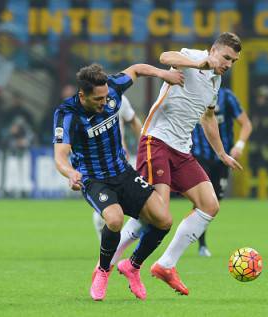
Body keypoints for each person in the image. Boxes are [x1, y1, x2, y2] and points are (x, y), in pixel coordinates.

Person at [108, 32, 243, 296]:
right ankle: (106, 266)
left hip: (182, 150)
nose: (228, 64)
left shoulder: (217, 80)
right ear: (213, 50)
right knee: (155, 213)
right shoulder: (194, 57)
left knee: (210, 205)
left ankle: (165, 265)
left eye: (233, 61)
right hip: (155, 142)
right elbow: (164, 57)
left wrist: (222, 153)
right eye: (226, 57)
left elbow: (208, 118)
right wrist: (198, 64)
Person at [53, 63, 183, 301]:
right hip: (94, 179)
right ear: (82, 95)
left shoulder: (112, 88)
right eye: (98, 99)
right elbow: (60, 155)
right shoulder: (67, 114)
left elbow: (136, 69)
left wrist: (164, 74)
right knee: (114, 219)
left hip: (123, 172)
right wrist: (70, 173)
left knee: (164, 220)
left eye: (105, 97)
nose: (104, 102)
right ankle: (103, 270)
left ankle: (132, 266)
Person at [192, 87, 252, 257]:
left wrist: (239, 145)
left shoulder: (227, 97)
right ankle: (201, 244)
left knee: (214, 202)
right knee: (202, 201)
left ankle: (196, 239)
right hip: (199, 156)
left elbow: (246, 124)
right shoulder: (193, 93)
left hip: (222, 158)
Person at [92, 94, 143, 241]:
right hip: (97, 162)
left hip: (120, 158)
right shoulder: (83, 103)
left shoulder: (119, 98)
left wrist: (144, 146)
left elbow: (133, 121)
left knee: (138, 203)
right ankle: (107, 238)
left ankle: (115, 239)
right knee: (108, 203)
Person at [248, 85, 268, 199]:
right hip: (255, 144)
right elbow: (250, 128)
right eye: (259, 97)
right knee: (253, 168)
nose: (261, 99)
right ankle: (253, 192)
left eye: (263, 97)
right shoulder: (253, 112)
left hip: (267, 146)